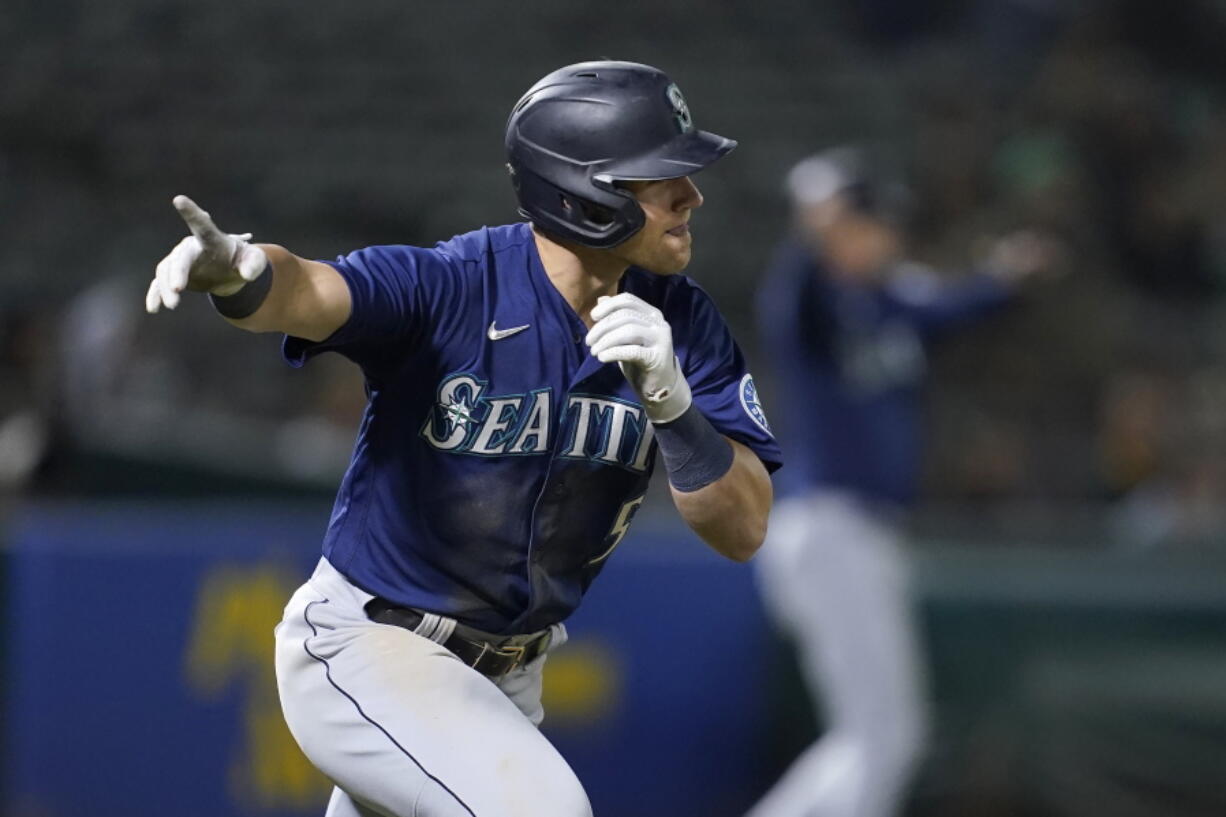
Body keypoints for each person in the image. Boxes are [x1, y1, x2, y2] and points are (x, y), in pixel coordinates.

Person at [145, 60, 780, 817]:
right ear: (585, 193)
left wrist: (675, 406)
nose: (691, 195)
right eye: (659, 176)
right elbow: (310, 290)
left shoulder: (685, 326)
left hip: (505, 683)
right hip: (369, 643)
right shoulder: (456, 286)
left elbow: (743, 528)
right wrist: (239, 273)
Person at [748, 146, 1049, 817]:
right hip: (828, 527)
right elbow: (799, 279)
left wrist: (1003, 278)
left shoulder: (887, 302)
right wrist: (819, 214)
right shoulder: (813, 304)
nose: (886, 235)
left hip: (861, 536)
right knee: (885, 735)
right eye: (869, 223)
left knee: (881, 735)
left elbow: (952, 306)